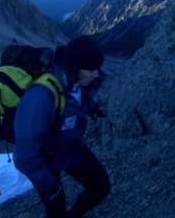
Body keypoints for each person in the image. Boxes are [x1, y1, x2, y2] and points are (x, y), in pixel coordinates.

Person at [13, 36, 110, 218]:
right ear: (74, 69)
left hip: (68, 146)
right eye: (92, 69)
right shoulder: (40, 97)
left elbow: (74, 102)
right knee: (56, 206)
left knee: (100, 186)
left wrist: (91, 109)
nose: (97, 74)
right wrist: (49, 184)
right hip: (44, 157)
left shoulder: (77, 80)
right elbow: (24, 155)